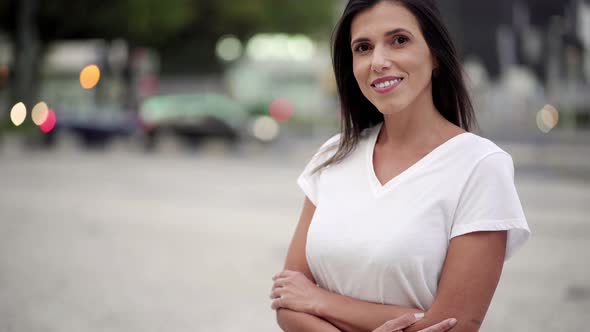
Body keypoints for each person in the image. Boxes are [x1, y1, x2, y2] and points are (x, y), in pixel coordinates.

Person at [270, 0, 531, 331]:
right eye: (363, 47)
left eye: (399, 40)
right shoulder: (332, 155)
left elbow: (454, 324)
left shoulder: (480, 167)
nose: (378, 61)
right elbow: (287, 300)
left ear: (435, 54)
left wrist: (320, 301)